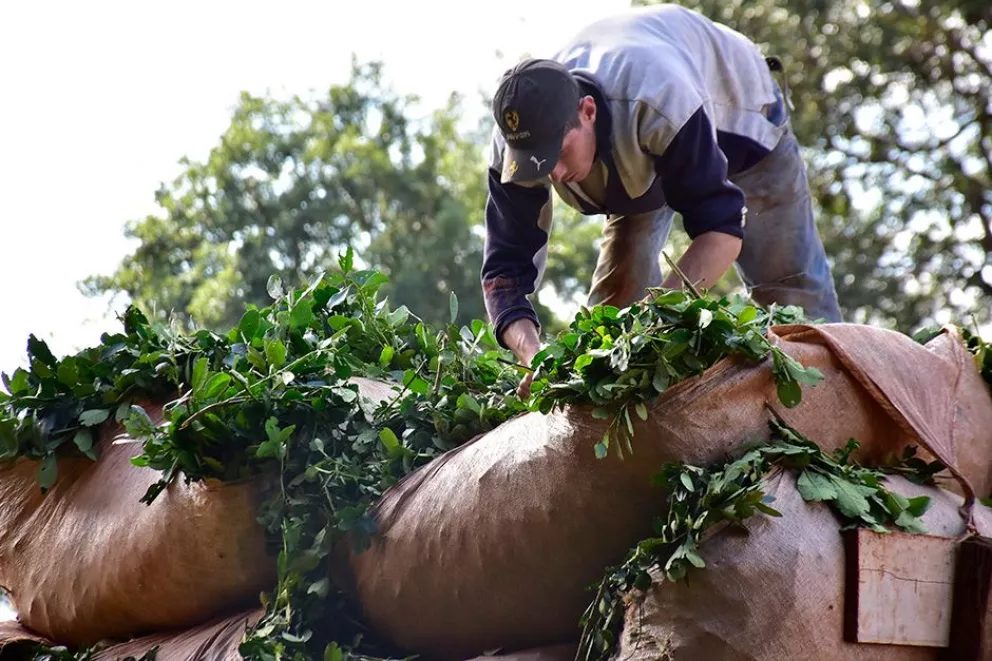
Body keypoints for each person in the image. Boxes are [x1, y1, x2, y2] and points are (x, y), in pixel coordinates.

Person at [480, 4, 843, 396]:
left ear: (587, 112)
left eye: (558, 154)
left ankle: (841, 403)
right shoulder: (515, 146)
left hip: (740, 118)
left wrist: (647, 327)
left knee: (794, 299)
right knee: (611, 317)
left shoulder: (658, 100)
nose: (554, 174)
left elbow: (719, 230)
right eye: (537, 162)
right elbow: (505, 276)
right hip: (639, 152)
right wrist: (536, 356)